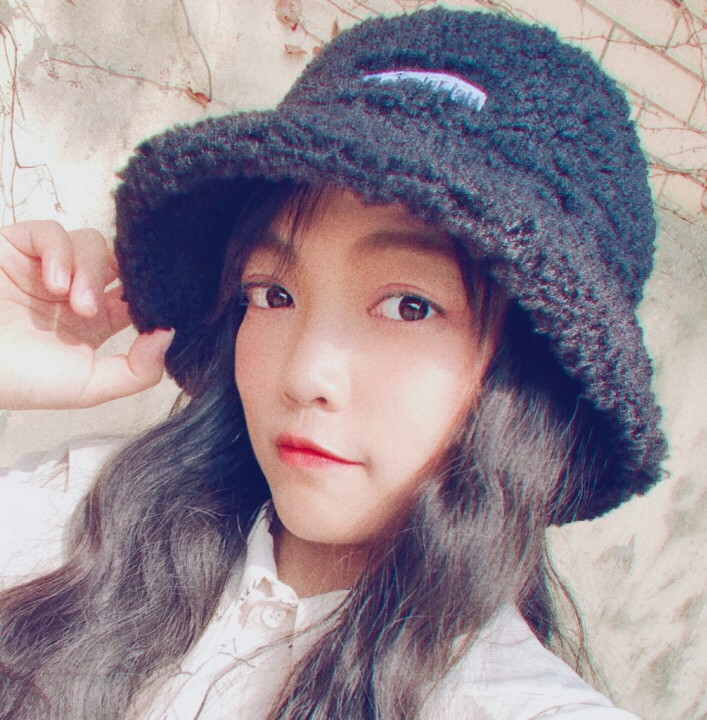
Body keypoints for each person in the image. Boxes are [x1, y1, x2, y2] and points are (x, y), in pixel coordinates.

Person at [0, 8, 665, 720]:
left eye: (409, 306)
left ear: (534, 372)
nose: (305, 376)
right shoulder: (77, 519)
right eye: (273, 293)